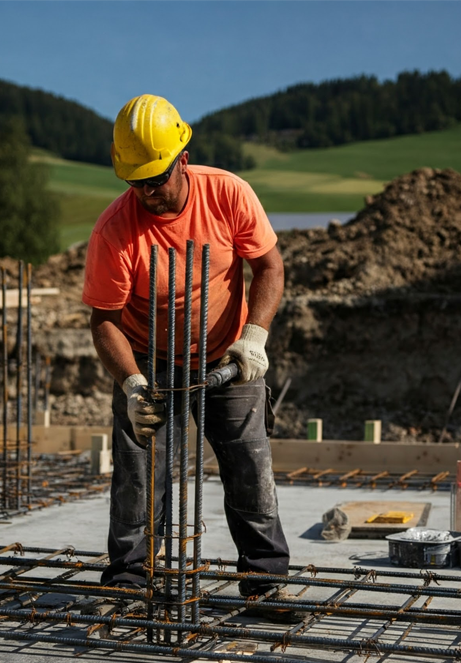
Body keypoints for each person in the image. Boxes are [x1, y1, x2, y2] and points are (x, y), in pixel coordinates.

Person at [82, 94, 300, 620]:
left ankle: (264, 582)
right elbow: (103, 320)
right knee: (140, 471)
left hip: (228, 352)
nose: (148, 192)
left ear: (182, 156)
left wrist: (254, 336)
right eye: (136, 182)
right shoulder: (115, 230)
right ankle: (130, 580)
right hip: (150, 357)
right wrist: (132, 385)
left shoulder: (227, 193)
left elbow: (269, 267)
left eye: (156, 178)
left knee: (249, 464)